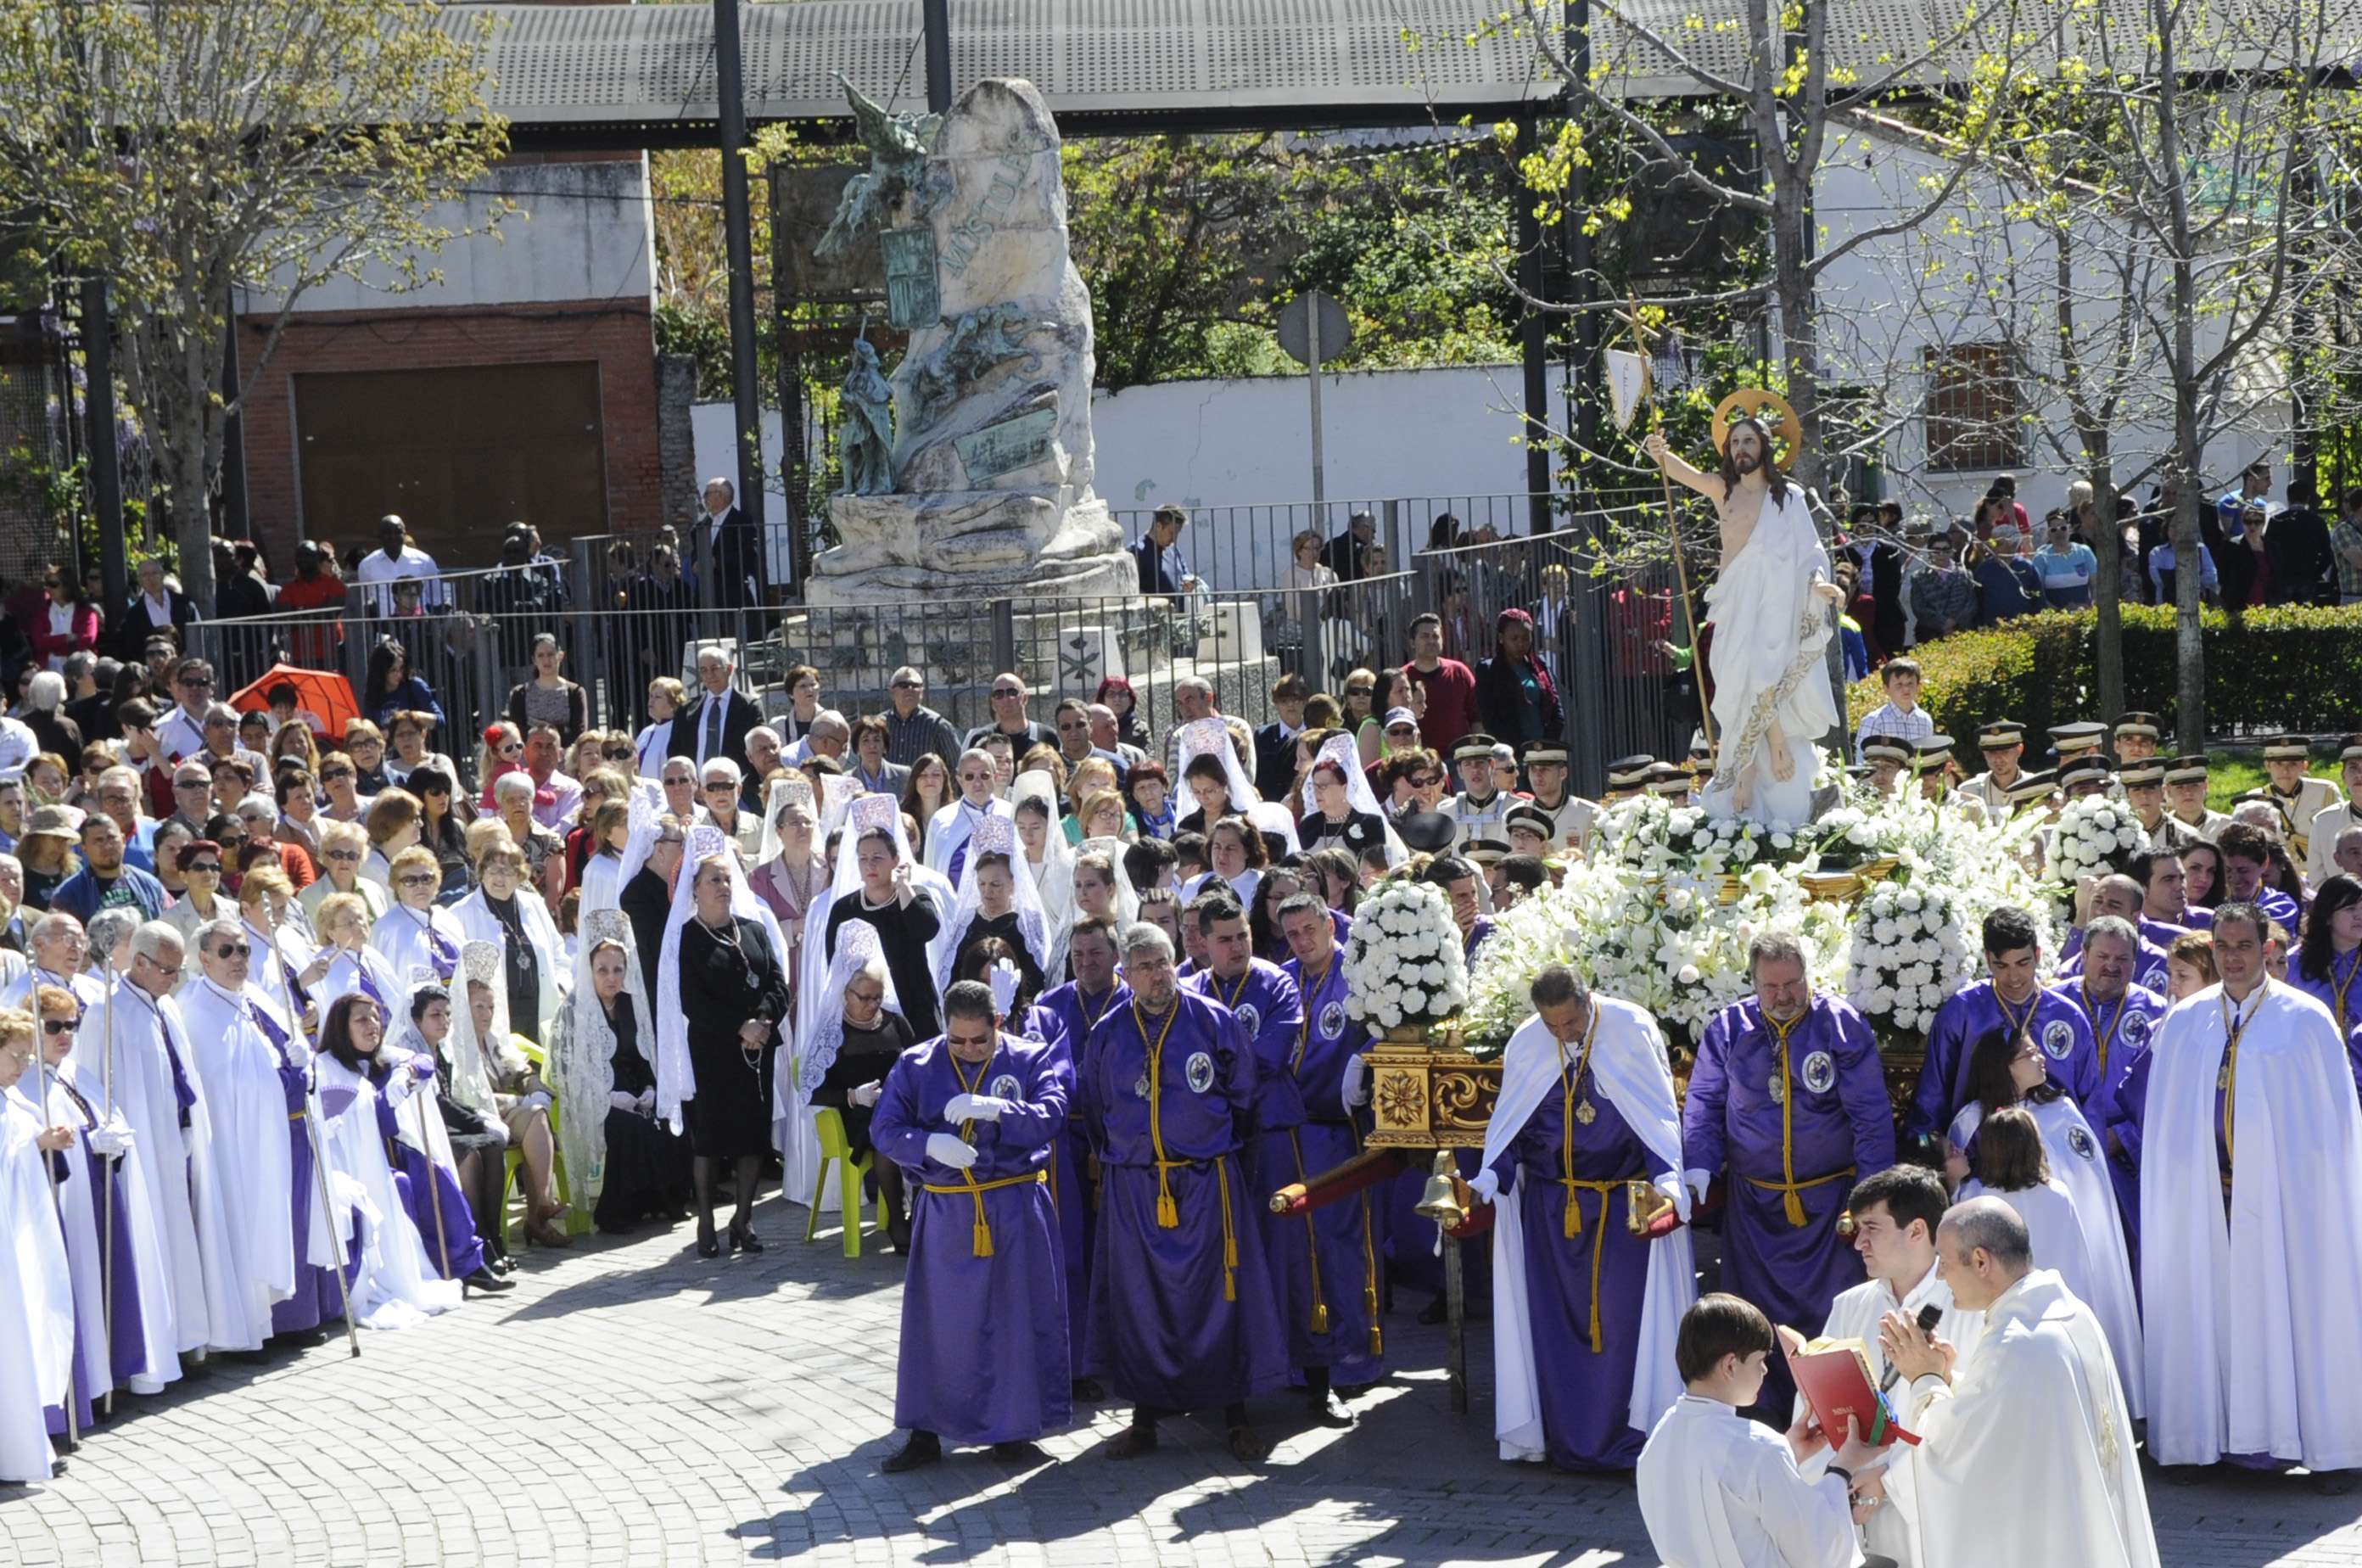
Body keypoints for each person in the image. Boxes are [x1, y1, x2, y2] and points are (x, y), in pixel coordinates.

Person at [2136, 900, 2362, 1488]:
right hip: (2204, 1199)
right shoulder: (2185, 1022)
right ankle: (2197, 1439)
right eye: (2222, 947)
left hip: (2288, 1203)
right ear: (2210, 949)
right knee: (2205, 1311)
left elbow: (2333, 1129)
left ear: (2266, 949)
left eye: (2243, 946)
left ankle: (2327, 1445)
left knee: (2296, 1311)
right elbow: (2164, 1126)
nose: (2232, 957)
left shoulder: (2306, 1020)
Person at [1473, 964, 1695, 1470]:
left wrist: (1667, 1179)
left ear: (1589, 1000)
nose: (1563, 1035)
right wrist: (1490, 1179)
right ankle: (1565, 1440)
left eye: (1571, 1024)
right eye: (1552, 1026)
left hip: (1622, 1212)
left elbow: (1656, 1117)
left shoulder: (1629, 1030)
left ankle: (1627, 1443)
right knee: (1555, 1333)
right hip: (1551, 1214)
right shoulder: (1531, 1043)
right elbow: (1512, 1127)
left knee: (1619, 1331)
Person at [1078, 921, 1284, 1463]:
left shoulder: (1212, 1021)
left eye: (1164, 962)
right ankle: (1145, 1420)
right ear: (1125, 974)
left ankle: (1236, 1417)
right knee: (1142, 1302)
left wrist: (1208, 1148)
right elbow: (1096, 1110)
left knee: (1222, 1296)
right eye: (1144, 967)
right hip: (1136, 1189)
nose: (1157, 975)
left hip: (1206, 1183)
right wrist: (1129, 1158)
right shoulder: (1107, 1032)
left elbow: (1244, 1098)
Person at [1681, 932, 1896, 1413]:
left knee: (1832, 1317)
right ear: (1753, 983)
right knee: (1754, 1321)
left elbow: (1871, 1117)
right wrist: (1697, 1163)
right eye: (1770, 987)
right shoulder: (1728, 1029)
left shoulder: (1841, 1026)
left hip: (1829, 1211)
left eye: (1792, 984)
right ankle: (1760, 1415)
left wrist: (1872, 1200)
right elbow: (1704, 1105)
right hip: (1754, 1211)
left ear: (1808, 976)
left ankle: (1837, 1415)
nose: (1782, 997)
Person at [1880, 1197, 2158, 1568]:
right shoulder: (2070, 1314)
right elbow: (2019, 1407)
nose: (1941, 1276)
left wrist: (1924, 1378)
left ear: (1981, 1261)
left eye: (1944, 1263)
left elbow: (1952, 1452)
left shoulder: (2013, 1344)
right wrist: (1950, 1378)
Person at [871, 978, 1071, 1471]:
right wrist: (927, 1145)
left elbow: (1053, 1112)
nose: (967, 1051)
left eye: (979, 1041)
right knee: (938, 1325)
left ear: (998, 1024)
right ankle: (924, 1431)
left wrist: (1002, 1110)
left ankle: (1014, 1429)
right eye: (956, 1041)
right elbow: (885, 1129)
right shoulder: (916, 1064)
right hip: (948, 1209)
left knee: (1015, 1321)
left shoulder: (1027, 1058)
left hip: (1013, 1203)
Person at [1943, 1028, 2144, 1411]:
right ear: (2005, 1067)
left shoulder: (2063, 1111)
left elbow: (2090, 1178)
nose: (2042, 1059)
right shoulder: (1971, 1122)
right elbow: (1960, 1202)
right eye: (2030, 1054)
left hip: (2061, 1237)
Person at [1636, 1293, 1872, 1568]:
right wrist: (1842, 1468)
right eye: (1760, 1360)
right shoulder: (1759, 1446)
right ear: (1730, 1365)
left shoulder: (1660, 1436)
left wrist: (1789, 1454)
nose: (1764, 1371)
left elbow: (1722, 1500)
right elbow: (1817, 1552)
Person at [656, 834, 789, 1260]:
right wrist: (740, 1026)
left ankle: (744, 1218)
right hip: (714, 1049)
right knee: (711, 1139)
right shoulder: (687, 938)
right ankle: (708, 1221)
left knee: (753, 1135)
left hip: (759, 1049)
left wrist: (764, 1020)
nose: (723, 887)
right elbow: (693, 1002)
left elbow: (778, 983)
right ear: (694, 887)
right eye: (714, 879)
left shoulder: (752, 929)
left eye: (728, 879)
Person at [311, 990, 490, 1308]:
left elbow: (420, 1060)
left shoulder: (384, 1058)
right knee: (406, 1183)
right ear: (342, 1026)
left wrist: (406, 1075)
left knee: (436, 1176)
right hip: (351, 1162)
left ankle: (466, 1263)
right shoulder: (327, 1067)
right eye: (362, 1019)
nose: (373, 1025)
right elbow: (331, 1118)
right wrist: (375, 1102)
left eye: (377, 1017)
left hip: (389, 1150)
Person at [1273, 892, 1386, 1395]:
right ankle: (1309, 1353)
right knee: (1300, 1248)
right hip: (1291, 1133)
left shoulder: (1359, 973)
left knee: (1343, 1246)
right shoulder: (1282, 978)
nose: (1302, 941)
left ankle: (1356, 1352)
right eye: (1292, 934)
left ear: (1329, 924)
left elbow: (1393, 1028)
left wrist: (1364, 1056)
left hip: (1340, 1132)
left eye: (1309, 929)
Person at [548, 911, 690, 1237]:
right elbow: (566, 1071)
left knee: (670, 1116)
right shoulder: (572, 1011)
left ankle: (665, 1200)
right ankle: (618, 1211)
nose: (611, 978)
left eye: (617, 970)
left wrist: (650, 1088)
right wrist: (608, 1097)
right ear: (589, 970)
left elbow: (641, 1057)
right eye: (602, 970)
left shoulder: (629, 1005)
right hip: (591, 1096)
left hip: (632, 1091)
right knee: (629, 1129)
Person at [1905, 906, 2098, 1144]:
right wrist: (1929, 1152)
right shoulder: (1963, 1011)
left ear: (2037, 954)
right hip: (1979, 1155)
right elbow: (1932, 1096)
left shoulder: (2068, 1016)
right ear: (1987, 958)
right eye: (2001, 966)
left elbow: (2090, 1102)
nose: (2014, 977)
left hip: (2056, 1150)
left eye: (2023, 962)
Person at [367, 844, 467, 985]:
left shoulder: (448, 920)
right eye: (410, 880)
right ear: (397, 886)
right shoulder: (386, 928)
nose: (420, 886)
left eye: (427, 878)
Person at [1400, 612, 1477, 755]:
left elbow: (1476, 715)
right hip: (1418, 759)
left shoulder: (1459, 672)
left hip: (1458, 758)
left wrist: (1475, 751)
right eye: (1424, 636)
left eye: (1435, 636)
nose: (1431, 641)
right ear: (1412, 642)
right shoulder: (1402, 677)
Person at [696, 476, 767, 609]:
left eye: (707, 494)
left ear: (720, 496)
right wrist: (696, 562)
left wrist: (717, 562)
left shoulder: (741, 521)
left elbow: (749, 553)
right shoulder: (704, 524)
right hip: (708, 596)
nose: (704, 498)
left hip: (734, 594)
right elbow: (697, 549)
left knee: (736, 629)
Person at [353, 516, 445, 613]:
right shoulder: (367, 565)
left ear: (404, 533)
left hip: (419, 626)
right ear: (380, 536)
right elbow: (365, 601)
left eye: (398, 532)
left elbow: (435, 600)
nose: (393, 536)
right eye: (387, 532)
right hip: (383, 627)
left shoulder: (425, 561)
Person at [1130, 503, 1197, 596]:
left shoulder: (1173, 549)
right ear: (1158, 526)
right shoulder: (1136, 552)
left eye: (1177, 533)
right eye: (1171, 533)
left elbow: (1186, 574)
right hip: (1156, 610)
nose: (1174, 538)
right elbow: (1131, 590)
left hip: (1181, 609)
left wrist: (1189, 583)